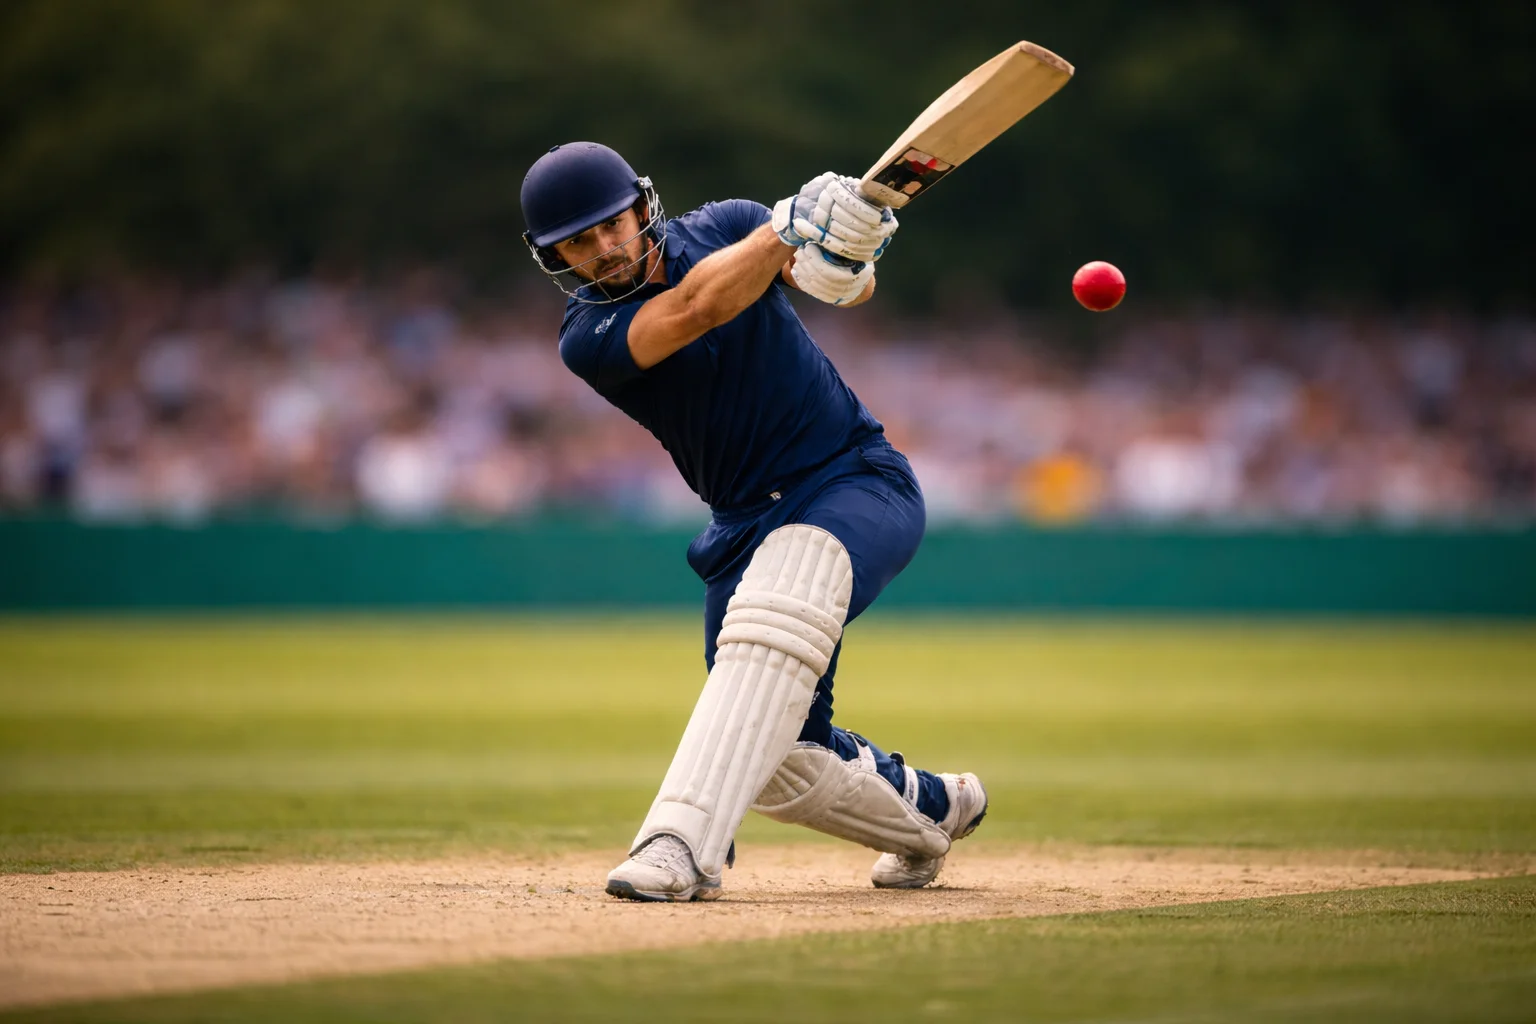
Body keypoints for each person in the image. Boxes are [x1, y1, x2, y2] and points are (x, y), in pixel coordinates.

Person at [520, 141, 987, 902]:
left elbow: (837, 286)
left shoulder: (728, 223)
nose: (604, 249)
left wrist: (846, 248)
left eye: (613, 225)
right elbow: (699, 305)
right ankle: (935, 810)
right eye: (579, 242)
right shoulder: (588, 339)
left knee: (784, 595)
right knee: (773, 755)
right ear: (557, 257)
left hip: (854, 480)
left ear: (642, 206)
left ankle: (676, 845)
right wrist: (790, 228)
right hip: (742, 526)